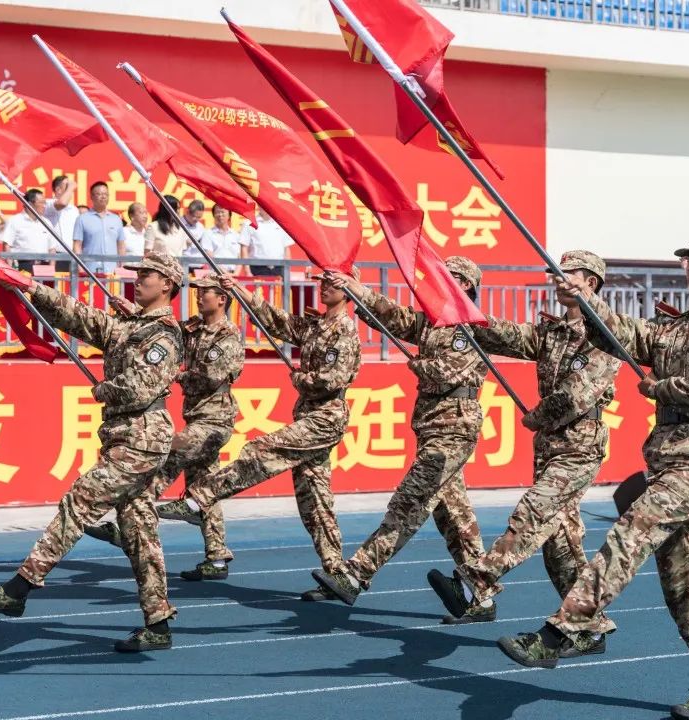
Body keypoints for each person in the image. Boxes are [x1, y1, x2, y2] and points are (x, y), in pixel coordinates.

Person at [496, 231, 689, 720]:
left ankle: (564, 630)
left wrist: (660, 387)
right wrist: (585, 300)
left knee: (632, 529)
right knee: (686, 579)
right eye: (688, 258)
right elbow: (622, 333)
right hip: (667, 458)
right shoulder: (672, 328)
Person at [0, 252, 186, 653]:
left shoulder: (163, 336)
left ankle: (19, 587)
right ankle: (158, 623)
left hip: (142, 436)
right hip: (126, 434)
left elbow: (140, 389)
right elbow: (78, 316)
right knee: (139, 529)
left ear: (167, 284)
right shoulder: (131, 326)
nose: (138, 279)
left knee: (80, 500)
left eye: (147, 274)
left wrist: (103, 390)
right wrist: (30, 288)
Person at [425, 251, 620, 654]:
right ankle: (589, 627)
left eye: (568, 273)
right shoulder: (553, 331)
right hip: (549, 446)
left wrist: (537, 416)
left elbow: (577, 395)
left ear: (591, 283)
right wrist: (464, 310)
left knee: (533, 511)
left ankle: (475, 582)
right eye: (556, 273)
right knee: (559, 545)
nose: (558, 279)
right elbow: (505, 335)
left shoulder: (605, 333)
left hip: (579, 445)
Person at [157, 270, 361, 599]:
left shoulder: (345, 331)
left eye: (332, 284)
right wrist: (240, 290)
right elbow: (275, 320)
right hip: (307, 415)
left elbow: (331, 380)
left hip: (326, 417)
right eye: (322, 282)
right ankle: (337, 574)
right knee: (314, 501)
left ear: (348, 291)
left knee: (262, 449)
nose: (324, 287)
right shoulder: (315, 326)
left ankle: (198, 499)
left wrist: (301, 380)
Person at [306, 258, 489, 606]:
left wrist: (418, 363)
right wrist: (355, 290)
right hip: (433, 425)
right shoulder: (433, 322)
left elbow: (445, 372)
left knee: (410, 501)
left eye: (447, 276)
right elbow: (390, 315)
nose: (435, 280)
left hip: (454, 427)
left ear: (465, 284)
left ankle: (356, 573)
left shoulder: (471, 326)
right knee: (452, 513)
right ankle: (480, 595)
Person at [87, 275, 244, 581]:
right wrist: (133, 310)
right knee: (202, 487)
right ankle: (217, 558)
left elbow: (211, 377)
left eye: (205, 292)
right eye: (197, 291)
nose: (199, 297)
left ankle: (127, 525)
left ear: (222, 299)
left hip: (215, 421)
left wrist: (172, 374)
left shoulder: (229, 335)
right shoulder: (192, 328)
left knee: (165, 460)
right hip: (196, 417)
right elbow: (162, 331)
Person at [72, 181, 125, 274]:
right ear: (92, 197)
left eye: (106, 194)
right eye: (99, 194)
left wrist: (122, 267)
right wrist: (81, 269)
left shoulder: (116, 219)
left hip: (113, 272)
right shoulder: (82, 219)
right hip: (90, 271)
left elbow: (121, 245)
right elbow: (77, 246)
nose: (103, 197)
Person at [2, 188, 57, 274]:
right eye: (41, 203)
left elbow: (52, 248)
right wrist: (10, 270)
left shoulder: (47, 222)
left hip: (44, 266)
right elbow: (7, 245)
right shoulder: (15, 220)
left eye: (45, 203)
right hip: (23, 266)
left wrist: (51, 269)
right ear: (30, 204)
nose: (44, 206)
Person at [240, 208, 292, 277]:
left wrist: (287, 272)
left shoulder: (281, 223)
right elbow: (244, 248)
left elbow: (286, 248)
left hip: (279, 268)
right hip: (257, 269)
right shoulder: (249, 223)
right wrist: (247, 272)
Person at [203, 204, 244, 274]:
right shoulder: (208, 233)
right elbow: (209, 256)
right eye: (217, 212)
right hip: (216, 274)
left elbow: (240, 257)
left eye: (222, 212)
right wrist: (226, 273)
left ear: (229, 215)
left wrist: (236, 274)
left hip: (233, 274)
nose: (220, 215)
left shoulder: (236, 235)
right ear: (213, 215)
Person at [180, 199, 211, 268]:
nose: (196, 219)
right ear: (187, 212)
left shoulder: (200, 227)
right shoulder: (178, 224)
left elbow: (206, 248)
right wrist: (184, 244)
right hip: (182, 264)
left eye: (199, 217)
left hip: (198, 265)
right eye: (194, 216)